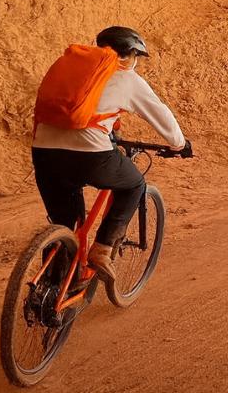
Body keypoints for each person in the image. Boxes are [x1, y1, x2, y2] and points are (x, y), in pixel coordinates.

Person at [32, 26, 192, 283]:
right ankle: (102, 250)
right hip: (90, 155)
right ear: (129, 55)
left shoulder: (75, 72)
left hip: (43, 152)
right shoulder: (127, 78)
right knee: (134, 185)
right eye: (136, 57)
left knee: (65, 223)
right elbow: (160, 114)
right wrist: (179, 144)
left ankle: (49, 288)